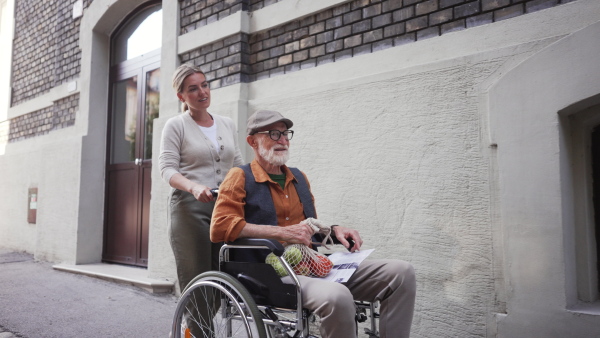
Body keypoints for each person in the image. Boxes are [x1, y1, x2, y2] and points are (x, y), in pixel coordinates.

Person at [211, 110, 416, 338]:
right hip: (271, 273)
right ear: (252, 141)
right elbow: (220, 227)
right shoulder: (239, 176)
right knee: (337, 296)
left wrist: (334, 230)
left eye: (286, 134)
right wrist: (282, 233)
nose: (283, 140)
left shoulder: (298, 177)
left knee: (401, 272)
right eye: (273, 134)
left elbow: (307, 229)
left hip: (311, 264)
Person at [159, 63, 244, 295]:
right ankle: (194, 330)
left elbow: (237, 165)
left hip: (225, 207)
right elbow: (167, 169)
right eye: (193, 89)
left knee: (223, 280)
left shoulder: (226, 123)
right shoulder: (176, 125)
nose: (202, 92)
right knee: (197, 280)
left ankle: (192, 328)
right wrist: (194, 187)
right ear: (181, 96)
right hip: (190, 208)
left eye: (205, 85)